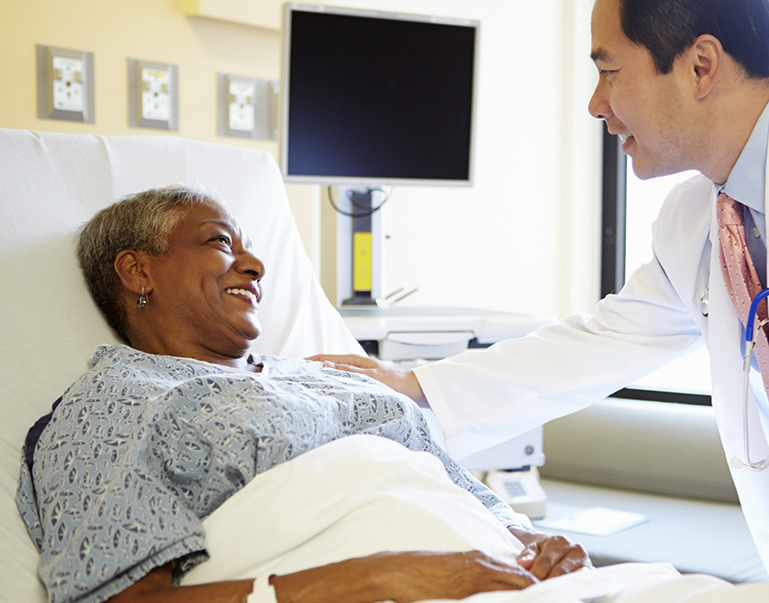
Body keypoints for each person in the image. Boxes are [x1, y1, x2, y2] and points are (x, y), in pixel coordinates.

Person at [318, 0, 769, 601]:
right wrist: (417, 388)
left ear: (700, 66)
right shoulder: (701, 219)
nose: (596, 104)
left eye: (609, 72)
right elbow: (600, 342)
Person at [17, 186, 590, 603]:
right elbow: (120, 598)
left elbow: (462, 491)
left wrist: (533, 540)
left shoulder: (326, 373)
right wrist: (378, 576)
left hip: (519, 578)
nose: (256, 266)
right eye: (221, 242)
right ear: (137, 271)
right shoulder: (117, 402)